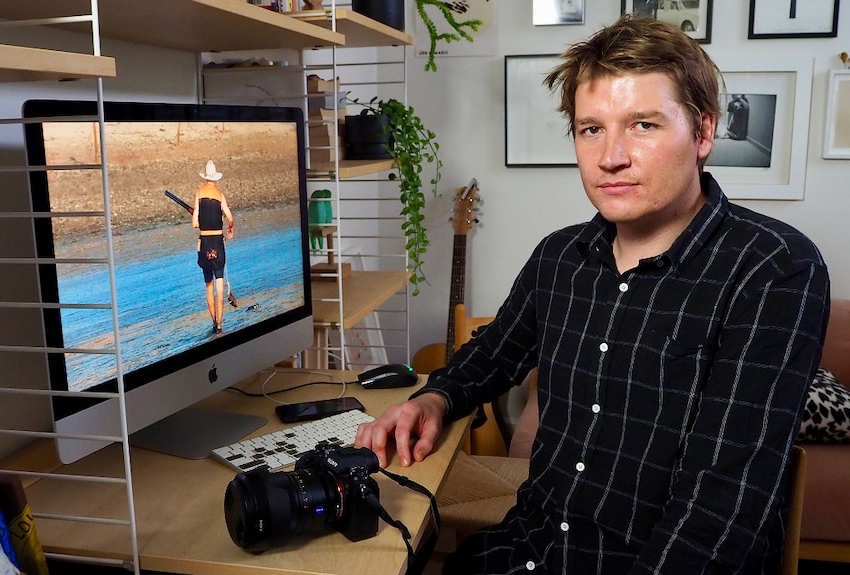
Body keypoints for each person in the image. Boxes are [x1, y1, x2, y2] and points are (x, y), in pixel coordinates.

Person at [354, 15, 830, 575]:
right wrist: (433, 400)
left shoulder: (774, 267)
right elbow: (493, 354)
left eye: (643, 125)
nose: (611, 156)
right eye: (590, 129)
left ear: (703, 133)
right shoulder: (559, 257)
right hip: (528, 549)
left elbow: (720, 509)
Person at [193, 160, 234, 334]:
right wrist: (230, 227)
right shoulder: (220, 194)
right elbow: (230, 217)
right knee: (219, 284)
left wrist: (201, 220)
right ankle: (220, 325)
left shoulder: (199, 193)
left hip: (205, 243)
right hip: (218, 242)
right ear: (215, 178)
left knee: (208, 285)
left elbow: (195, 223)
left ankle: (213, 322)